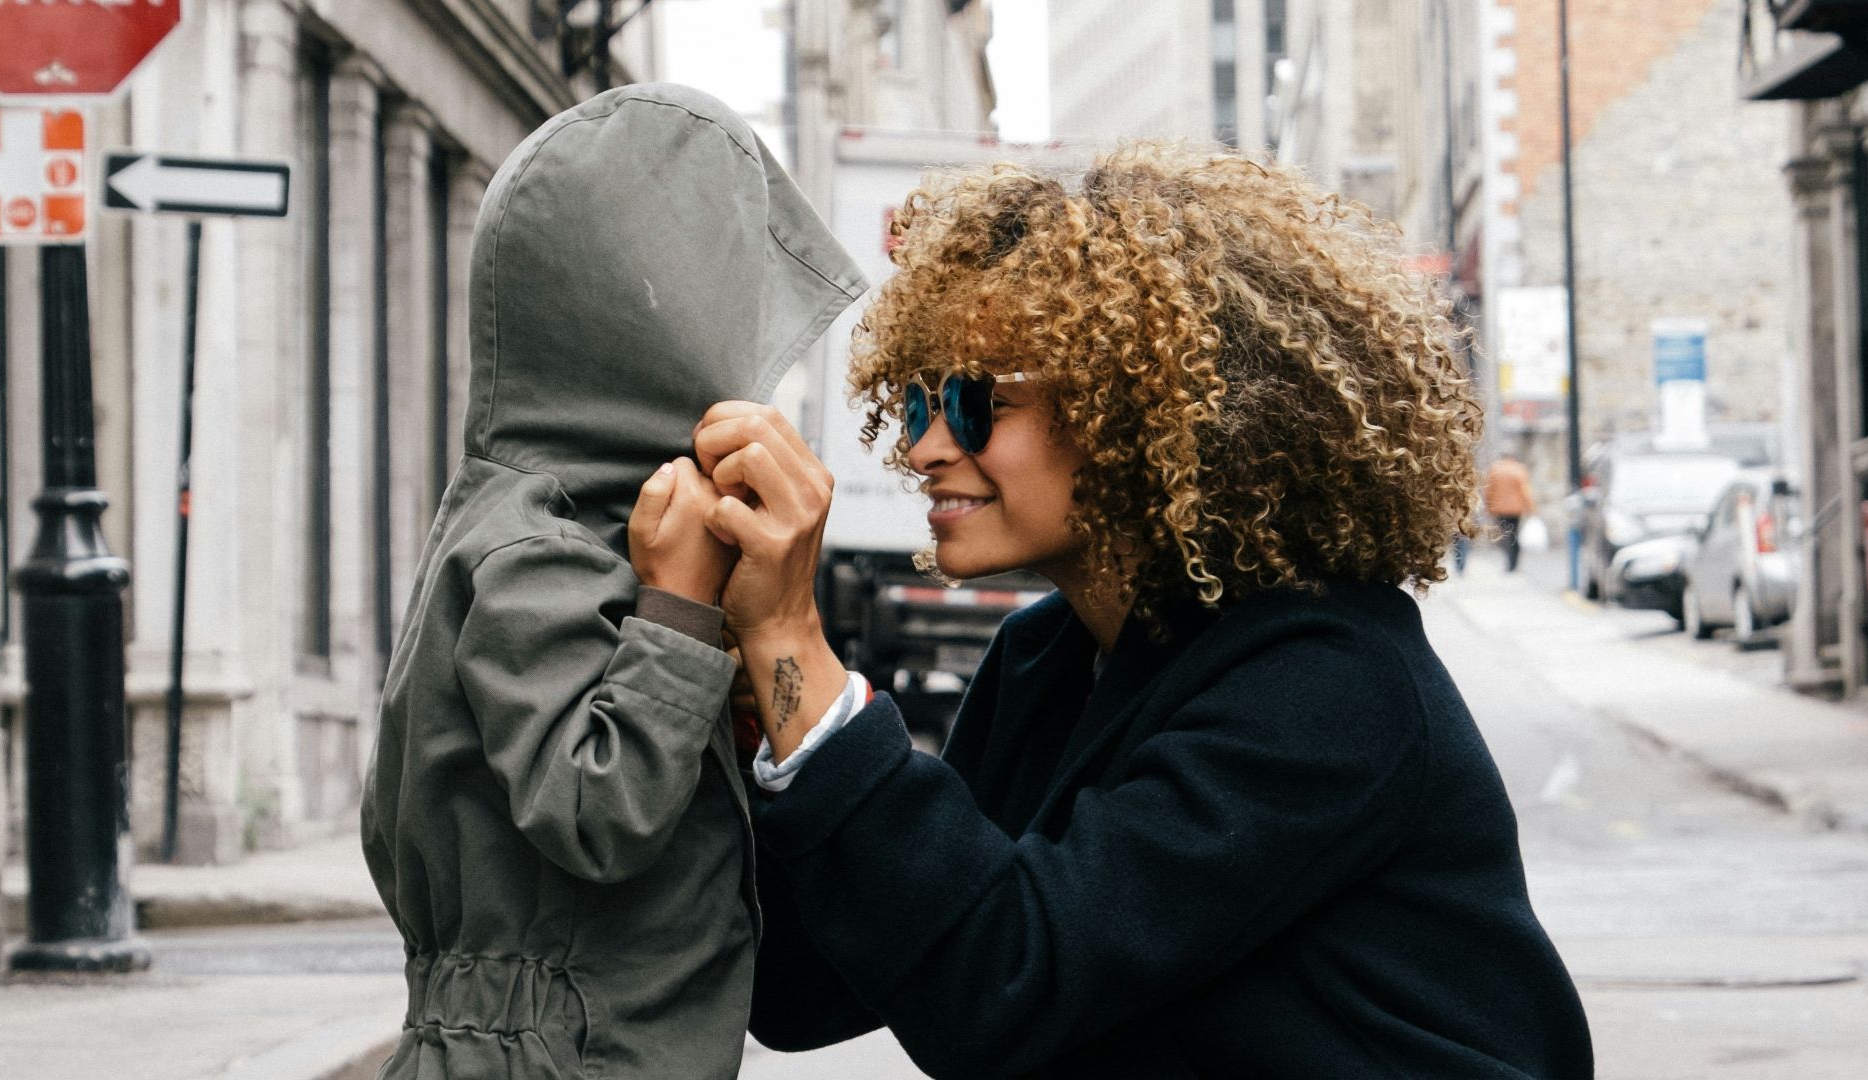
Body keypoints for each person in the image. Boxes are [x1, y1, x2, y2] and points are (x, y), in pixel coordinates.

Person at [695, 143, 1593, 1077]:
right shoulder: (1046, 658)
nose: (923, 447)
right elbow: (810, 991)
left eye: (974, 404)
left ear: (1131, 413)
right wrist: (759, 706)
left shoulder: (1329, 686)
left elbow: (1007, 981)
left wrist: (792, 639)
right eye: (918, 400)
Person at [358, 84, 864, 1079]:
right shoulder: (531, 540)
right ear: (649, 323)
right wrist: (675, 614)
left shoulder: (587, 521)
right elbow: (599, 808)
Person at [1486, 453, 1538, 573]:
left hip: (1499, 508)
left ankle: (1508, 561)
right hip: (1515, 508)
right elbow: (1525, 490)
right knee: (1514, 534)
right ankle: (1514, 562)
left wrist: (1489, 507)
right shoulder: (1519, 469)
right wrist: (1531, 507)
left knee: (1505, 535)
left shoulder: (1495, 470)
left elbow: (1489, 490)